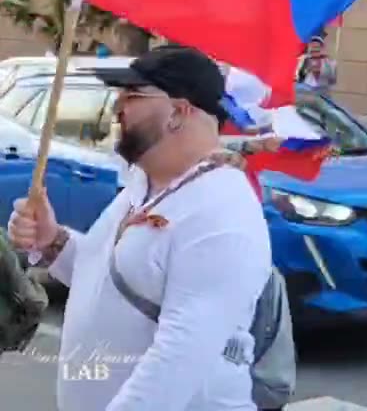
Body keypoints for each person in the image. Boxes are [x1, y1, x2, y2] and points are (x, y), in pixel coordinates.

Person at [7, 45, 272, 411]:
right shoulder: (142, 186)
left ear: (178, 113)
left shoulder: (222, 213)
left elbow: (179, 360)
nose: (117, 107)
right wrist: (52, 240)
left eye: (132, 95)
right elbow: (108, 275)